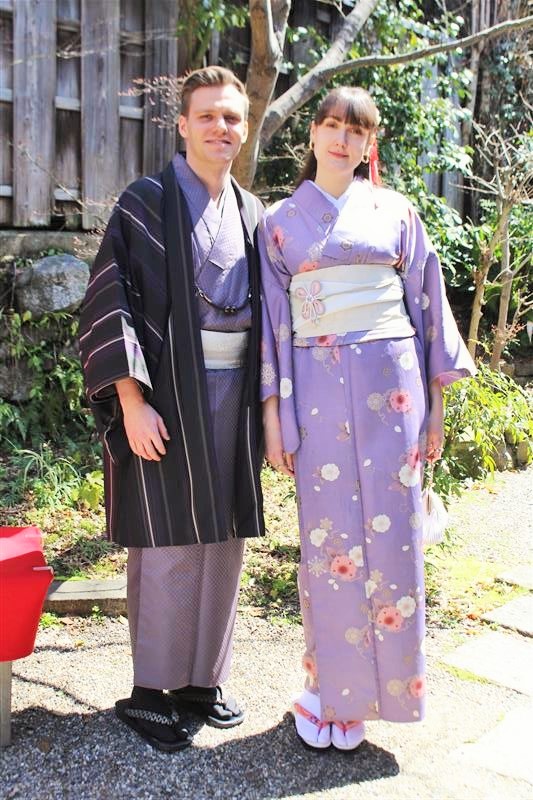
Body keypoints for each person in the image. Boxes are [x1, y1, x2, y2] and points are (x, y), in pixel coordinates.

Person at [258, 87, 475, 751]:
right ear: (313, 134)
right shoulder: (278, 222)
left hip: (393, 389)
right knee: (328, 546)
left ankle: (388, 696)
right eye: (330, 126)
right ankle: (328, 691)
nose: (341, 139)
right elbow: (273, 325)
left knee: (394, 540)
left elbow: (428, 308)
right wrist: (274, 418)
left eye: (355, 131)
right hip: (314, 389)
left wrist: (436, 409)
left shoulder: (397, 212)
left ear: (368, 143)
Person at [79, 66, 264, 752]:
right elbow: (108, 302)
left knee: (223, 537)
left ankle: (200, 680)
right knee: (167, 540)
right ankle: (152, 688)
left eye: (232, 117)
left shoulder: (252, 212)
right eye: (207, 115)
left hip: (236, 394)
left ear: (244, 129)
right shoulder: (146, 202)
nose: (221, 127)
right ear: (182, 124)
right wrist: (130, 402)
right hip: (165, 394)